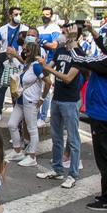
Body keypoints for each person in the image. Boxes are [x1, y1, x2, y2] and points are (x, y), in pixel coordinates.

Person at [62, 25, 107, 212]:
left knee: (106, 159)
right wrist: (94, 33)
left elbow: (80, 59)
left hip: (104, 115)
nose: (105, 40)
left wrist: (73, 41)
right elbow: (103, 48)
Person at [38, 24, 84, 188]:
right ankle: (57, 170)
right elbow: (49, 67)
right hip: (57, 99)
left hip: (70, 101)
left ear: (73, 36)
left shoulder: (79, 54)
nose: (61, 36)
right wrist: (44, 66)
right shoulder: (60, 51)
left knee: (73, 139)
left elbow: (68, 78)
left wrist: (49, 70)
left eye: (64, 33)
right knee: (56, 137)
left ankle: (73, 174)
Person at [5, 39, 47, 168]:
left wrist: (42, 99)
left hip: (30, 101)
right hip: (21, 100)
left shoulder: (36, 66)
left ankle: (32, 156)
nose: (23, 52)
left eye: (26, 50)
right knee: (12, 124)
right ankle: (17, 150)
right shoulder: (27, 65)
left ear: (31, 52)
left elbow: (48, 82)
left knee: (32, 129)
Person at [0, 7, 26, 122]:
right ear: (10, 15)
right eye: (16, 14)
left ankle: (17, 112)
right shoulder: (2, 29)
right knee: (3, 85)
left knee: (15, 88)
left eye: (20, 14)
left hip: (19, 60)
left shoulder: (24, 29)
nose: (18, 16)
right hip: (5, 60)